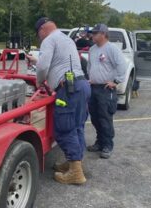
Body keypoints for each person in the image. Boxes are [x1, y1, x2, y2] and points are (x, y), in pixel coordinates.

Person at [26, 17, 91, 185]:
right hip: (82, 85)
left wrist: (39, 81)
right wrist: (37, 61)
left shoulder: (48, 39)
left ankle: (76, 173)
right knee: (77, 127)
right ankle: (73, 163)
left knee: (64, 128)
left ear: (42, 30)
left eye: (38, 35)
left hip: (69, 89)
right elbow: (58, 62)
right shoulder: (66, 39)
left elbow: (43, 67)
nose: (40, 38)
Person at [86, 24, 127, 159]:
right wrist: (90, 78)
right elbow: (90, 66)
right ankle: (99, 142)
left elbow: (122, 65)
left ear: (103, 34)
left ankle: (108, 145)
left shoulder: (111, 49)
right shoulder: (92, 49)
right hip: (93, 87)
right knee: (95, 117)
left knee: (105, 118)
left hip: (105, 89)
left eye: (95, 33)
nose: (92, 35)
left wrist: (115, 82)